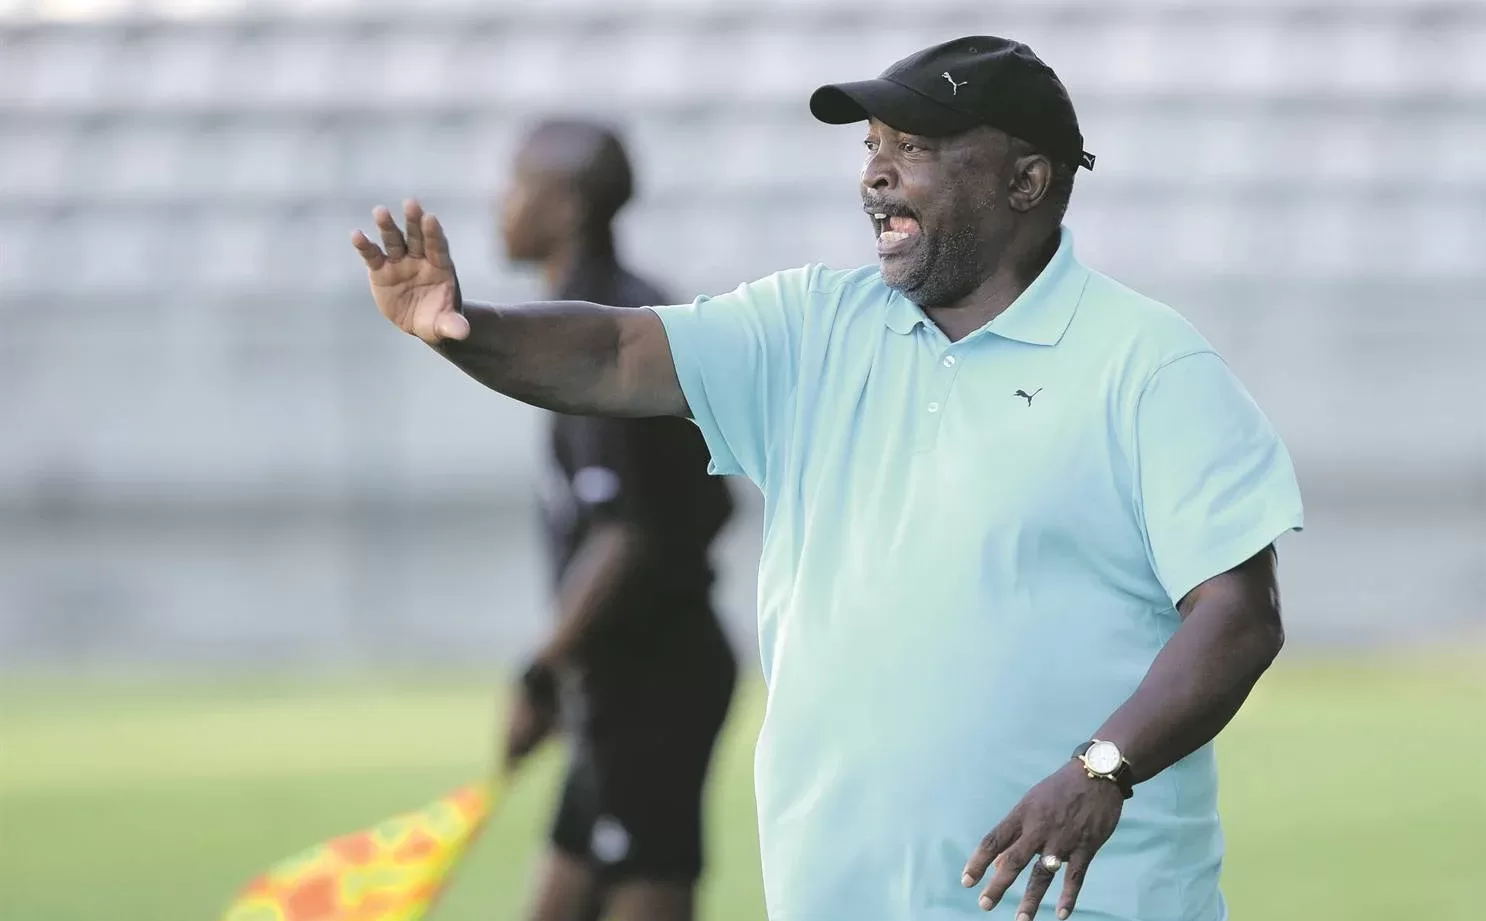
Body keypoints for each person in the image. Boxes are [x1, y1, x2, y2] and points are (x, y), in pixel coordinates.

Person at [351, 36, 1304, 921]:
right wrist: (464, 326)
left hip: (1074, 900)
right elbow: (611, 352)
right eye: (872, 144)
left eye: (914, 146)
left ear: (1026, 180)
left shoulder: (1149, 364)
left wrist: (1102, 768)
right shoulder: (810, 326)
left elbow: (1237, 614)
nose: (876, 173)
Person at [493, 119, 738, 921]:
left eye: (518, 182)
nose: (502, 202)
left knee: (644, 886)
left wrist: (540, 671)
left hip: (655, 681)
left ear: (566, 207)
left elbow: (626, 534)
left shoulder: (610, 335)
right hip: (621, 674)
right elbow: (712, 501)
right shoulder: (625, 311)